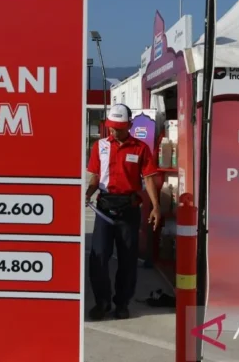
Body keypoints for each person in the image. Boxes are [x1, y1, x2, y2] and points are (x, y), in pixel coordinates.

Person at [86, 103, 161, 320]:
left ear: (129, 125)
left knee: (127, 259)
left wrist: (156, 207)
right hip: (104, 208)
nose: (114, 131)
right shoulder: (99, 146)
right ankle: (102, 302)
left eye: (119, 127)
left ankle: (122, 303)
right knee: (99, 257)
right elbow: (95, 177)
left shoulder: (140, 148)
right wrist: (87, 193)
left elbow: (149, 179)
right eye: (112, 126)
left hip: (129, 209)